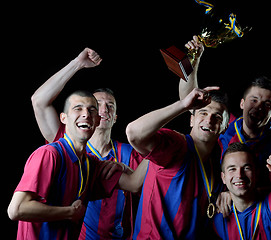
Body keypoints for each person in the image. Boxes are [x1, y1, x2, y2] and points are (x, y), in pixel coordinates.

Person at [31, 48, 147, 239]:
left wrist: (128, 168)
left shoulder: (130, 152)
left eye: (110, 106)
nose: (103, 109)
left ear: (115, 118)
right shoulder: (65, 142)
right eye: (96, 104)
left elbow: (144, 187)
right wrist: (77, 63)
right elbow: (39, 101)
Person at [8, 90, 148, 240]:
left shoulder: (91, 164)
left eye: (91, 110)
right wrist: (69, 212)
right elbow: (16, 210)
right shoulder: (50, 154)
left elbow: (134, 184)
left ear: (97, 120)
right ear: (63, 118)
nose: (86, 114)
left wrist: (157, 146)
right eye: (78, 108)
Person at [180, 37, 271, 216]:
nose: (258, 108)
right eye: (254, 100)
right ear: (242, 103)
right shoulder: (223, 124)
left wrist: (233, 193)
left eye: (267, 104)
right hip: (207, 209)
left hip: (253, 218)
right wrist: (192, 61)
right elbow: (189, 101)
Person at [126, 87, 229, 239]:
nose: (209, 120)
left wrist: (228, 193)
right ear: (191, 119)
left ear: (224, 127)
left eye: (217, 117)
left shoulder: (218, 160)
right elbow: (134, 133)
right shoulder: (177, 145)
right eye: (203, 113)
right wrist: (182, 105)